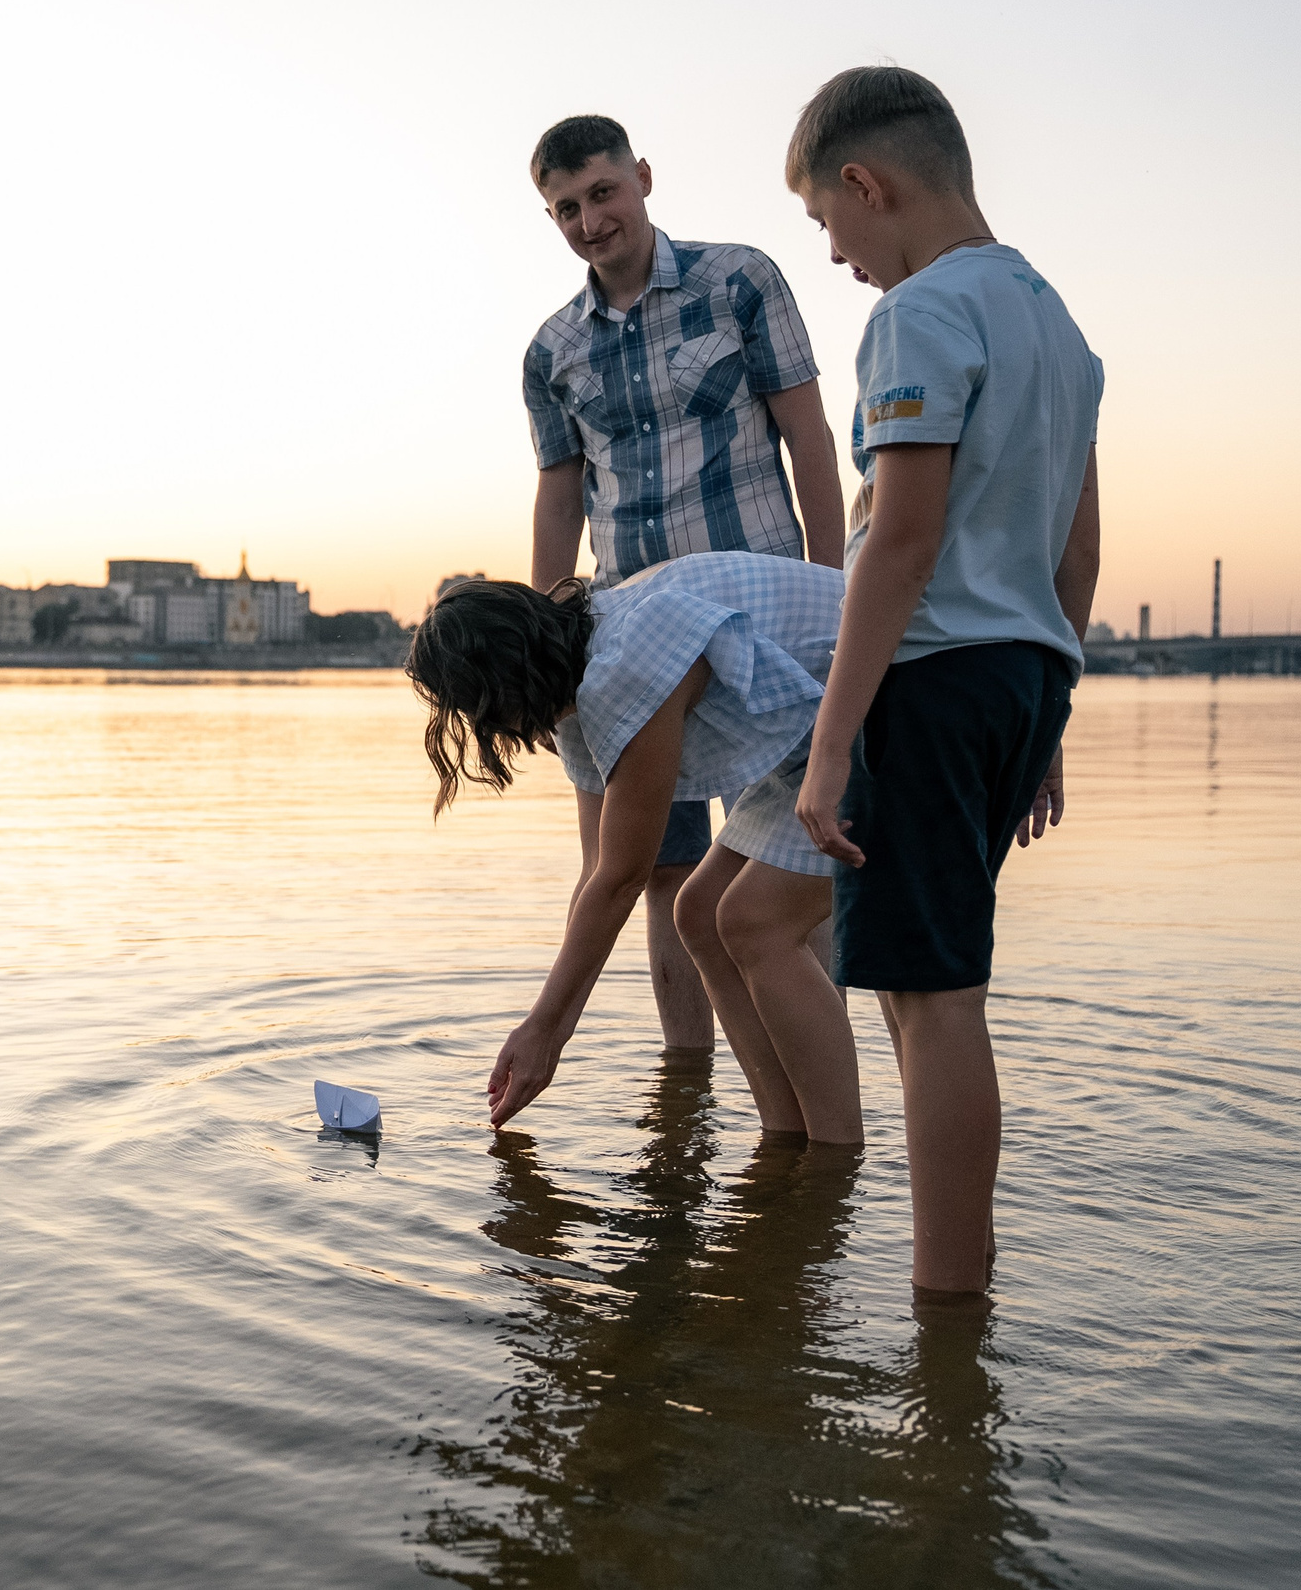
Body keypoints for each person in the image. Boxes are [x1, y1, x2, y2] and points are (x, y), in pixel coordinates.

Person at [785, 66, 1102, 1298]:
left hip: (927, 679)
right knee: (930, 983)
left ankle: (945, 1317)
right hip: (1019, 674)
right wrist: (1050, 709)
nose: (834, 254)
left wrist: (829, 742)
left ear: (866, 184)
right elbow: (1077, 548)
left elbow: (901, 538)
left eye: (825, 219)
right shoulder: (1054, 321)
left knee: (932, 999)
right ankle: (963, 1268)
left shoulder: (918, 314)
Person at [522, 115, 848, 1059]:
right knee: (655, 874)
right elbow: (559, 496)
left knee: (784, 869)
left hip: (757, 632)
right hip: (629, 647)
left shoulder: (739, 281)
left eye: (603, 193)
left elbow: (809, 438)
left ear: (644, 178)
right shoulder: (550, 352)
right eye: (566, 209)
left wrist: (836, 591)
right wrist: (547, 642)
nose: (590, 222)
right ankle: (686, 1092)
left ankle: (811, 1088)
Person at [406, 554, 860, 1144]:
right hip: (810, 742)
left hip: (886, 702)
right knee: (699, 912)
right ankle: (784, 1142)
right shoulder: (581, 689)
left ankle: (834, 1157)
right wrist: (548, 1025)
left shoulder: (628, 660)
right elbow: (598, 871)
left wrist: (546, 1030)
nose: (484, 724)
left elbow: (623, 878)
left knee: (755, 923)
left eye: (476, 706)